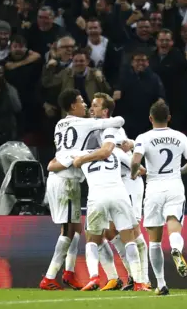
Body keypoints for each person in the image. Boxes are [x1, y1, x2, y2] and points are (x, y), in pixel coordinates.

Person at [39, 88, 124, 291]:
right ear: (72, 106)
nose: (86, 105)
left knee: (76, 230)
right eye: (81, 102)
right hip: (66, 181)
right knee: (68, 231)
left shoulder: (60, 123)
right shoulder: (85, 123)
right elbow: (118, 121)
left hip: (61, 178)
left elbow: (68, 150)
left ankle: (68, 273)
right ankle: (50, 277)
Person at [75, 93, 150, 291]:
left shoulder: (113, 128)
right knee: (108, 232)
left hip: (127, 182)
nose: (92, 109)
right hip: (110, 183)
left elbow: (125, 153)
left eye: (96, 106)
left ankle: (144, 279)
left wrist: (135, 160)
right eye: (90, 105)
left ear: (105, 111)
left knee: (133, 232)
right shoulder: (94, 129)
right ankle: (121, 277)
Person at [52, 147, 148, 292]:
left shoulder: (79, 153)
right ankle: (139, 282)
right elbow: (141, 169)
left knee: (92, 240)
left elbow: (52, 166)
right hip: (119, 195)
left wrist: (78, 162)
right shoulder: (115, 151)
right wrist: (129, 174)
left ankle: (94, 278)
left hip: (97, 197)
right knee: (129, 239)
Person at [131, 100, 187, 296]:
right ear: (169, 118)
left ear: (150, 118)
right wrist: (179, 171)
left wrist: (134, 173)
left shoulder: (143, 137)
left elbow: (136, 160)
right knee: (173, 223)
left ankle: (161, 284)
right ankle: (176, 248)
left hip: (153, 188)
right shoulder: (179, 136)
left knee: (154, 240)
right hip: (174, 185)